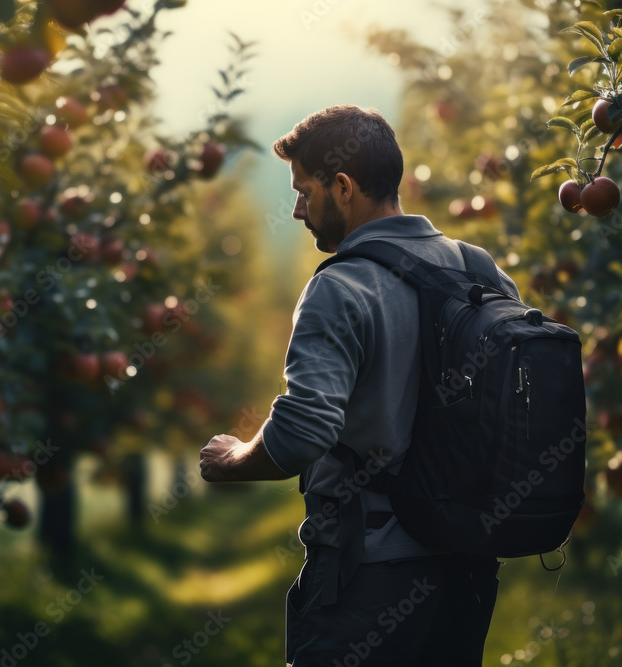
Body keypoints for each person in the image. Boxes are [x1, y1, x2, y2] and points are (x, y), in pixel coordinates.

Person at [199, 104, 516, 665]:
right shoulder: (481, 272)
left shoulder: (341, 288)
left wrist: (233, 460)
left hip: (368, 573)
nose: (296, 209)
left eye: (303, 191)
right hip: (465, 570)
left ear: (342, 187)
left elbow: (303, 431)